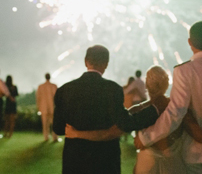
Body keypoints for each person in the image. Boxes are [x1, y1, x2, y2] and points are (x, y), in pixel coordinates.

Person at [65, 65, 202, 174]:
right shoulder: (178, 110)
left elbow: (110, 133)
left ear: (146, 85)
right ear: (167, 84)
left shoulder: (138, 110)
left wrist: (77, 133)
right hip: (174, 168)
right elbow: (200, 136)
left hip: (145, 168)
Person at [135, 21, 202, 174]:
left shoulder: (184, 71)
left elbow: (175, 113)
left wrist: (146, 137)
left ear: (189, 42)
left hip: (194, 153)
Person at [53, 45, 164, 174]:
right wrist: (154, 110)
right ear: (106, 64)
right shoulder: (113, 89)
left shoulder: (64, 90)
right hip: (105, 160)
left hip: (74, 161)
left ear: (85, 61)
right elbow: (125, 123)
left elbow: (58, 128)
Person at [36, 72, 58, 142]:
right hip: (52, 107)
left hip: (43, 108)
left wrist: (39, 107)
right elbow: (57, 97)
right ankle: (55, 137)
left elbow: (38, 98)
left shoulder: (40, 86)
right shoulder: (54, 86)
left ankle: (46, 137)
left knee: (45, 124)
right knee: (54, 123)